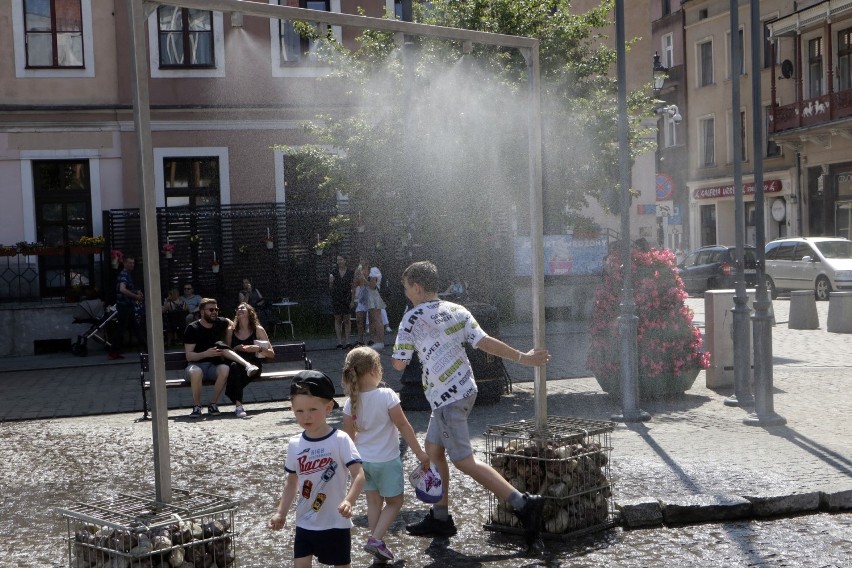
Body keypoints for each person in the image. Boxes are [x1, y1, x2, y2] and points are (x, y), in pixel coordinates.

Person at [391, 260, 551, 549]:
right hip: (464, 389)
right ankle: (440, 518)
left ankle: (524, 504)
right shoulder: (457, 310)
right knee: (434, 449)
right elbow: (485, 342)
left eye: (406, 289)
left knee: (463, 459)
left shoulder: (411, 318)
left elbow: (400, 365)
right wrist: (523, 358)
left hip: (446, 398)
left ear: (416, 287)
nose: (406, 294)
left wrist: (400, 352)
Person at [341, 347, 429, 564]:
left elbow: (347, 439)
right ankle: (375, 539)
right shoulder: (387, 395)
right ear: (374, 370)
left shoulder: (349, 402)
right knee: (395, 502)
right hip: (387, 461)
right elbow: (404, 426)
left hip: (363, 464)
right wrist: (420, 454)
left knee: (373, 502)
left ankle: (378, 544)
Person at [269, 371, 365, 568]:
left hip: (335, 522)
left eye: (313, 409)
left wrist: (349, 500)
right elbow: (291, 483)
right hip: (304, 521)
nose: (306, 416)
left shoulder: (340, 440)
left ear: (328, 407)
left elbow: (359, 475)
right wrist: (281, 513)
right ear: (292, 409)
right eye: (299, 411)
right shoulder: (295, 443)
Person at [183, 298, 260, 418]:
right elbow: (189, 356)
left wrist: (242, 333)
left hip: (213, 367)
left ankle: (213, 404)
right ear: (202, 312)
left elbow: (233, 323)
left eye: (216, 309)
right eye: (211, 309)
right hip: (195, 365)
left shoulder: (220, 322)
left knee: (225, 368)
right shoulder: (193, 328)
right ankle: (197, 406)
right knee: (196, 372)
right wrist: (205, 354)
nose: (214, 312)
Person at [225, 302, 275, 418]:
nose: (239, 310)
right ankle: (239, 406)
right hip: (236, 363)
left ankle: (237, 404)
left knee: (235, 375)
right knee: (234, 367)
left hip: (254, 365)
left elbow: (271, 354)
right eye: (238, 308)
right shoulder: (231, 331)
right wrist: (237, 348)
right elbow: (226, 352)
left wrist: (257, 348)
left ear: (250, 312)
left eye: (243, 308)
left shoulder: (258, 330)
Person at [109, 256, 146, 360]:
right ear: (124, 264)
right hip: (124, 306)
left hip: (127, 306)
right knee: (123, 329)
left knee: (134, 328)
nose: (132, 265)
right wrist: (136, 296)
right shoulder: (124, 275)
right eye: (130, 263)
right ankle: (113, 351)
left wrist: (135, 291)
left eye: (133, 263)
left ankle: (113, 351)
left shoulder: (127, 275)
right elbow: (123, 289)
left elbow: (127, 289)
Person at [329, 255, 354, 349]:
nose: (339, 261)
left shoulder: (350, 272)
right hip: (337, 298)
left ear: (345, 260)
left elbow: (353, 287)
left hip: (347, 297)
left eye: (341, 260)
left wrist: (352, 300)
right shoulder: (333, 272)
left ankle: (348, 341)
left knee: (347, 319)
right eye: (337, 260)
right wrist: (331, 282)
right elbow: (331, 288)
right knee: (338, 319)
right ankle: (339, 342)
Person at [365, 263, 387, 350]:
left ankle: (380, 342)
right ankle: (376, 340)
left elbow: (372, 285)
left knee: (378, 319)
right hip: (372, 296)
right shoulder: (372, 270)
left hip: (375, 295)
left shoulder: (374, 270)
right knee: (374, 319)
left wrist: (363, 279)